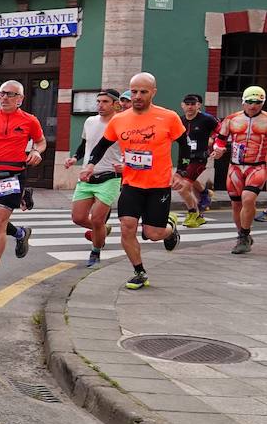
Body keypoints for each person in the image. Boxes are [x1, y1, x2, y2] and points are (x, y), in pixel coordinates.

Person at [80, 72, 182, 289]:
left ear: (153, 92)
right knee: (127, 227)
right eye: (134, 91)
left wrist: (182, 172)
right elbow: (101, 146)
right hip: (130, 183)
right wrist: (90, 164)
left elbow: (187, 144)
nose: (137, 96)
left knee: (152, 234)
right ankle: (139, 272)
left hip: (158, 185)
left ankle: (170, 229)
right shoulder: (119, 119)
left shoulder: (169, 117)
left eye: (143, 92)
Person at [0, 81, 45, 289]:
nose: (4, 98)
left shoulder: (29, 120)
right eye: (2, 93)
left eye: (10, 94)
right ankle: (20, 233)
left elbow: (41, 141)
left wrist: (36, 151)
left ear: (20, 99)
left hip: (13, 175)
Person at [64, 89, 123, 268]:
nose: (100, 105)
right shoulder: (90, 121)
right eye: (98, 102)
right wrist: (75, 157)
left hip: (110, 177)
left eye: (105, 102)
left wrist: (125, 164)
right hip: (87, 176)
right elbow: (85, 144)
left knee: (97, 219)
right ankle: (102, 231)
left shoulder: (121, 123)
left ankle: (95, 253)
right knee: (78, 217)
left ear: (115, 104)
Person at [209, 86, 267, 254]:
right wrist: (219, 150)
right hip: (234, 166)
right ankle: (242, 235)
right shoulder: (231, 119)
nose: (253, 106)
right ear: (243, 102)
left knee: (248, 199)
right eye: (249, 102)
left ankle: (244, 236)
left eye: (257, 102)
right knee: (236, 204)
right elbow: (220, 140)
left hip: (257, 166)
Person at [176, 93, 219, 227]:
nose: (190, 107)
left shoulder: (207, 119)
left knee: (183, 188)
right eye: (187, 104)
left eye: (193, 104)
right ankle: (198, 213)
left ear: (198, 105)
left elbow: (222, 131)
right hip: (184, 159)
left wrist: (216, 144)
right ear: (182, 105)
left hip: (199, 158)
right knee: (186, 186)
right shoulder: (180, 120)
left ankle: (193, 214)